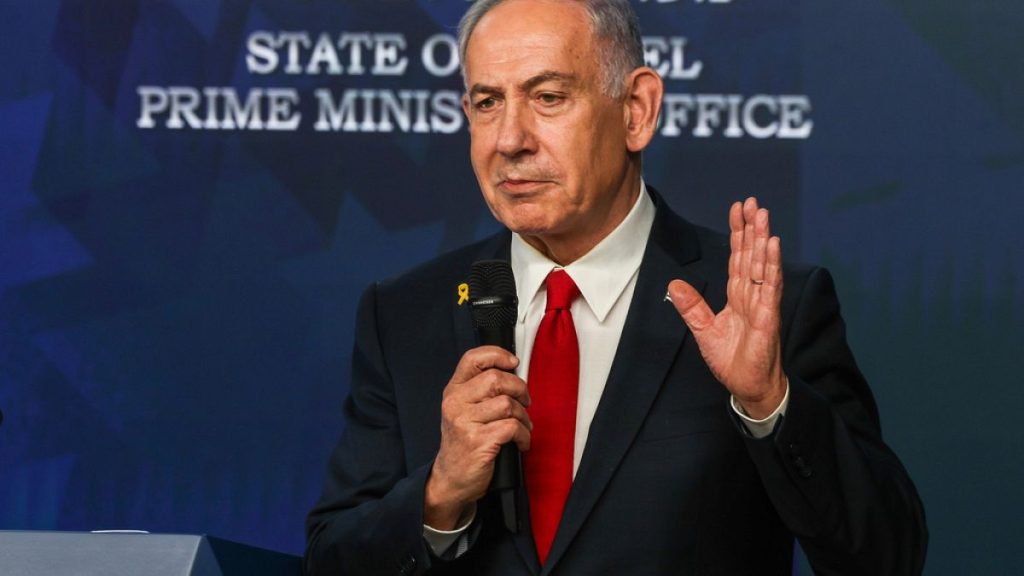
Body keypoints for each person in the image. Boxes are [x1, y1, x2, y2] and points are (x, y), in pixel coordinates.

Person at [304, 0, 927, 574]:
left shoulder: (758, 304)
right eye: (488, 102)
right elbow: (330, 561)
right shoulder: (404, 314)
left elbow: (886, 556)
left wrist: (769, 404)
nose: (510, 140)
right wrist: (440, 495)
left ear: (637, 110)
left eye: (548, 97)